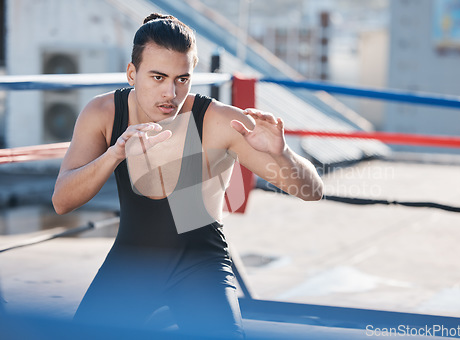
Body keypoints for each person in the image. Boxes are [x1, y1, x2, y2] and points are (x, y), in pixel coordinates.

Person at [52, 13, 323, 339]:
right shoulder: (104, 113)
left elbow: (312, 191)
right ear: (131, 73)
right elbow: (62, 202)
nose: (171, 92)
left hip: (200, 265)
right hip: (131, 263)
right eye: (158, 77)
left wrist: (283, 154)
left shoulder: (220, 122)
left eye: (183, 78)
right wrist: (114, 154)